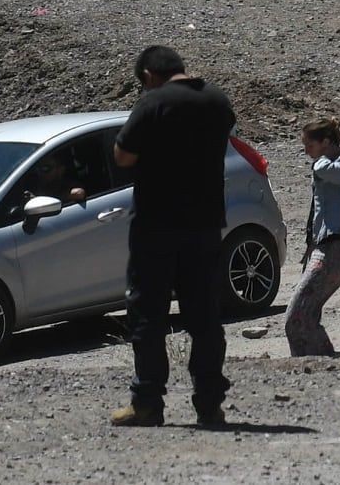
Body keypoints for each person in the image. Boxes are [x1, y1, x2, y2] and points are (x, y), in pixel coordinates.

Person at [110, 45, 237, 429]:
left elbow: (123, 156)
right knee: (205, 317)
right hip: (205, 225)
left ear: (149, 75)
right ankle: (210, 405)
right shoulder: (217, 101)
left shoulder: (153, 103)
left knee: (148, 315)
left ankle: (147, 403)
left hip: (157, 225)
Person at [285, 117, 340, 358]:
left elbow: (332, 172)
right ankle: (323, 360)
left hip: (335, 251)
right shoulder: (323, 165)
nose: (307, 151)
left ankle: (320, 362)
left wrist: (321, 160)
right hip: (322, 249)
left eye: (310, 145)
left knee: (298, 317)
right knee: (304, 315)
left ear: (326, 142)